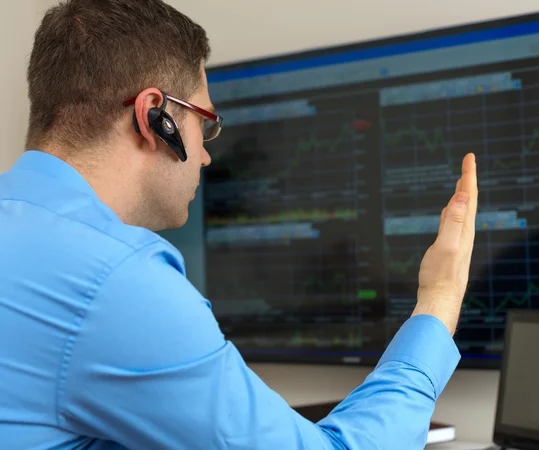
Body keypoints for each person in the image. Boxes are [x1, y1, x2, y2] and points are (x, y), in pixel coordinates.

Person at [0, 0, 478, 449]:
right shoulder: (114, 281)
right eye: (204, 124)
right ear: (154, 116)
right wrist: (439, 302)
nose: (206, 155)